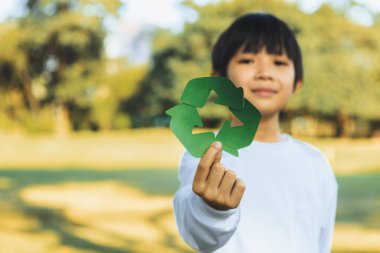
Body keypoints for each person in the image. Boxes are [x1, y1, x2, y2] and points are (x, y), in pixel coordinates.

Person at [173, 12, 338, 253]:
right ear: (218, 79)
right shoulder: (206, 156)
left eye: (279, 62)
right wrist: (212, 210)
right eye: (247, 60)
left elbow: (321, 242)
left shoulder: (316, 163)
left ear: (297, 83)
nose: (264, 72)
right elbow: (198, 234)